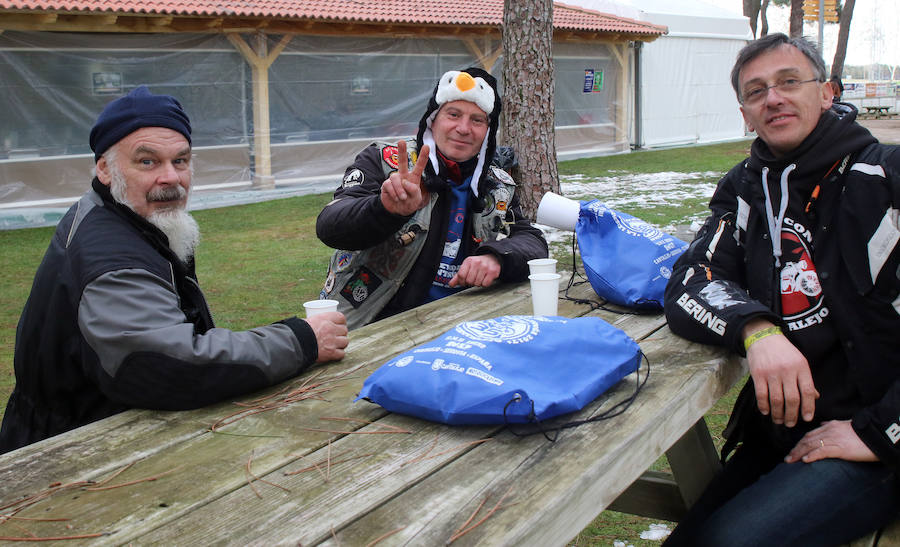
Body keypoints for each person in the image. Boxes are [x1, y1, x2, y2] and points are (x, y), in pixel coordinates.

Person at [0, 86, 349, 454]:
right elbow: (170, 363)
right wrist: (303, 340)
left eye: (180, 161)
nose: (171, 178)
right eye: (147, 162)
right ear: (105, 169)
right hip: (70, 456)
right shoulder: (111, 256)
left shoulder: (121, 216)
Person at [663, 33, 900, 546]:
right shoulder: (746, 186)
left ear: (828, 92)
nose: (773, 98)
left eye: (789, 82)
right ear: (746, 113)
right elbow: (690, 280)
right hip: (787, 430)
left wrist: (878, 432)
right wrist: (756, 329)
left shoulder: (887, 177)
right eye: (756, 91)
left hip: (877, 436)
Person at [316, 67, 548, 329]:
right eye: (453, 114)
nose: (463, 128)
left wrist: (497, 257)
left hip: (463, 325)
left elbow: (532, 240)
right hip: (376, 326)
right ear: (433, 119)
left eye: (477, 120)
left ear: (488, 131)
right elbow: (329, 226)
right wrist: (384, 209)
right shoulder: (385, 161)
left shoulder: (497, 183)